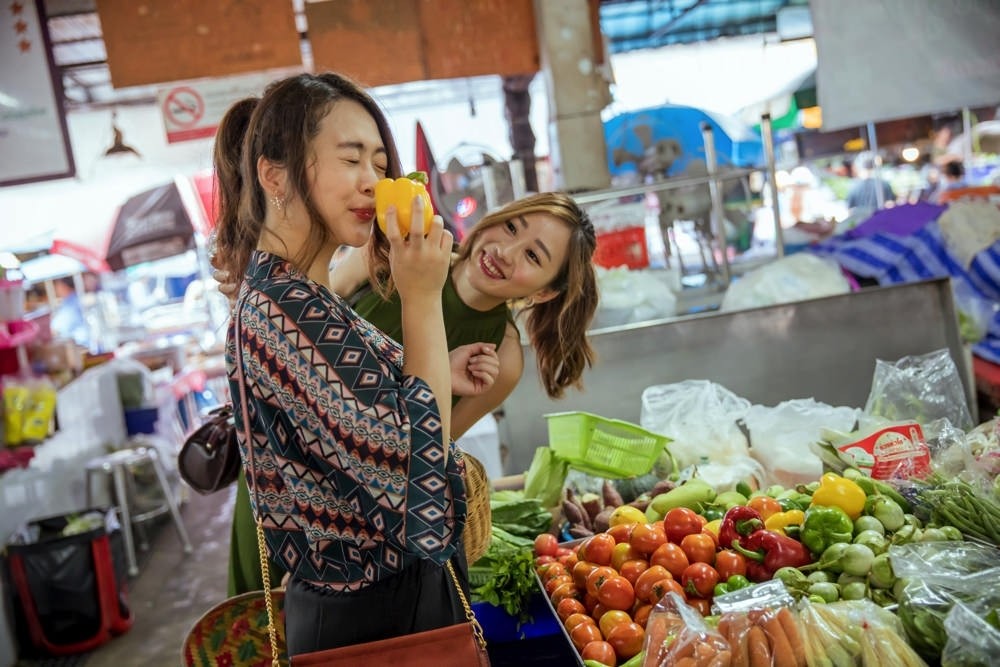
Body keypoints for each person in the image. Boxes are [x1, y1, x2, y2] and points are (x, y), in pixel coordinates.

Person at [212, 72, 500, 657]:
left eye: (379, 161)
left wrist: (435, 367)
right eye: (351, 160)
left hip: (382, 611)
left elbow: (379, 424)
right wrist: (422, 296)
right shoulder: (282, 308)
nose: (373, 182)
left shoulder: (299, 294)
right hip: (375, 623)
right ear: (275, 175)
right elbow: (416, 496)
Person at [220, 191, 601, 595]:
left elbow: (428, 461)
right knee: (248, 620)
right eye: (510, 227)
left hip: (353, 523)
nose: (505, 251)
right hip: (281, 464)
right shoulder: (394, 251)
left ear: (544, 293)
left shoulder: (501, 359)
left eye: (533, 257)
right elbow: (305, 323)